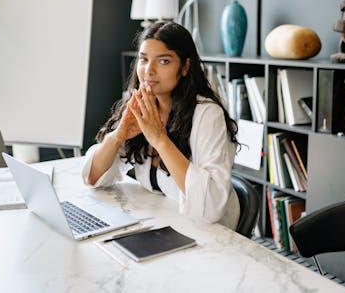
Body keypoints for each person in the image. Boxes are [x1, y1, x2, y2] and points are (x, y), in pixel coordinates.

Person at [82, 21, 240, 229]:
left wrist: (159, 139)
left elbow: (210, 208)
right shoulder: (142, 105)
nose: (149, 71)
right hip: (166, 221)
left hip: (212, 232)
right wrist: (119, 134)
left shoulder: (207, 114)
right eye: (143, 60)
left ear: (185, 67)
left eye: (163, 61)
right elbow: (92, 178)